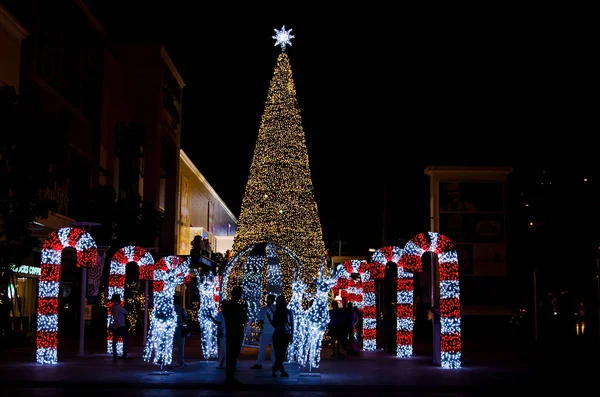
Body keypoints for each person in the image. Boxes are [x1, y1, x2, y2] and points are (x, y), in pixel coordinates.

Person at [221, 286, 247, 385]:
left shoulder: (226, 305)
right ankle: (230, 377)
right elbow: (243, 320)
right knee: (233, 355)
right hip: (237, 331)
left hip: (230, 331)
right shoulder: (239, 307)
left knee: (230, 355)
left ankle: (229, 376)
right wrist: (245, 307)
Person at [267, 294, 293, 378]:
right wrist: (291, 335)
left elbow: (275, 325)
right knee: (281, 354)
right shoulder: (288, 312)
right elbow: (292, 324)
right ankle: (281, 371)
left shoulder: (277, 312)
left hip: (278, 334)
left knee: (279, 354)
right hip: (285, 334)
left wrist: (269, 319)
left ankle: (276, 369)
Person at [251, 294, 276, 369]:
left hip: (268, 331)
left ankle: (260, 363)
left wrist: (260, 330)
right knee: (269, 349)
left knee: (264, 348)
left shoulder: (267, 309)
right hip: (271, 331)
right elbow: (261, 321)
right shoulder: (273, 308)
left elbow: (260, 321)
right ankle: (273, 364)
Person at [110, 293, 132, 360]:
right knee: (125, 340)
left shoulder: (113, 307)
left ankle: (115, 355)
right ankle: (124, 355)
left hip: (115, 325)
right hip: (121, 325)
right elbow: (126, 312)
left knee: (114, 341)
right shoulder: (119, 307)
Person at [173, 295, 188, 367]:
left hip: (172, 330)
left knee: (171, 345)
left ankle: (165, 360)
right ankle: (181, 361)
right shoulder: (181, 309)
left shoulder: (171, 309)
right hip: (180, 329)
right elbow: (185, 317)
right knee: (181, 346)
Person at [210, 305, 226, 369]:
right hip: (228, 333)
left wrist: (211, 317)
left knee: (223, 349)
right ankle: (221, 364)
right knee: (224, 349)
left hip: (223, 333)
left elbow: (218, 323)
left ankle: (222, 363)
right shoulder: (229, 313)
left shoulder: (221, 313)